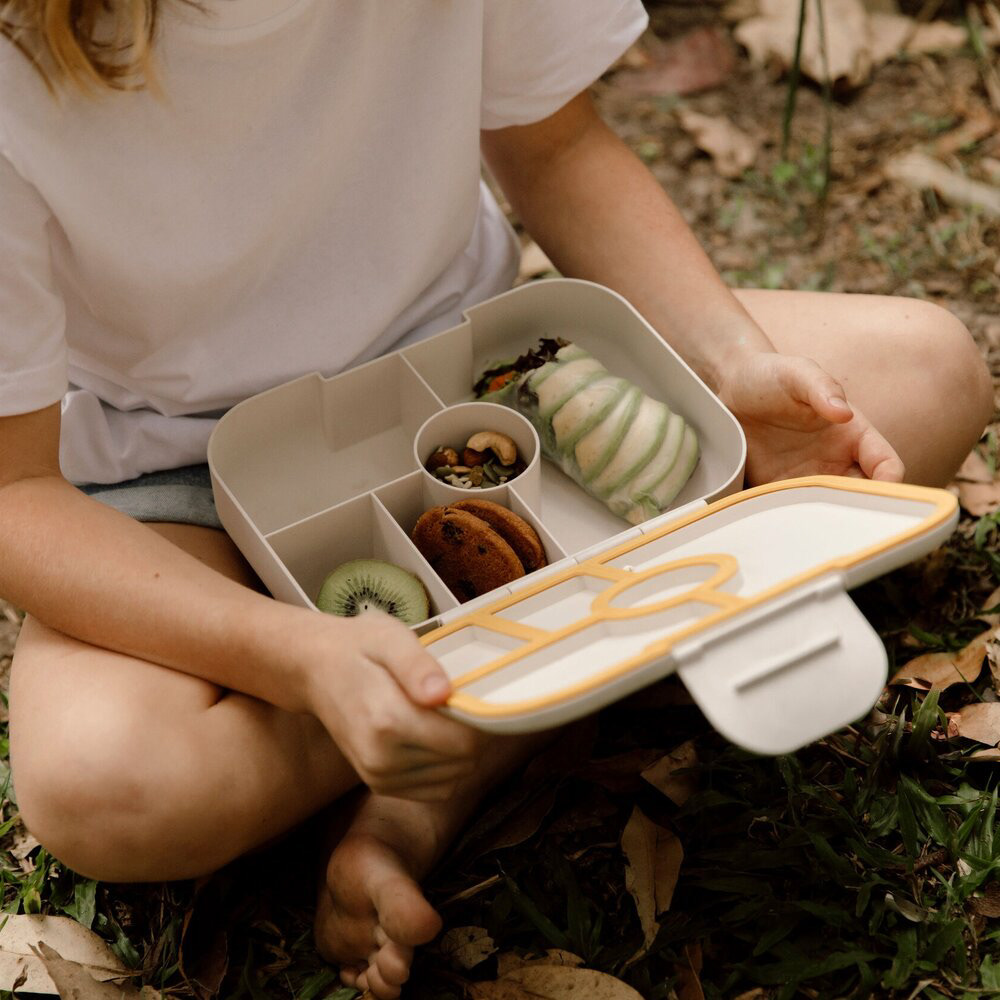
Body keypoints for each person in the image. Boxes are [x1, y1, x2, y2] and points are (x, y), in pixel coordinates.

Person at [0, 1, 991, 997]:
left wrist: (730, 362)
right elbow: (15, 492)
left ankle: (432, 775)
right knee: (104, 780)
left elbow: (557, 147)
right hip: (177, 470)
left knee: (927, 373)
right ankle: (505, 691)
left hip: (488, 378)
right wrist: (294, 657)